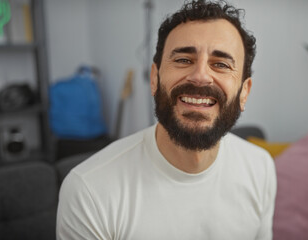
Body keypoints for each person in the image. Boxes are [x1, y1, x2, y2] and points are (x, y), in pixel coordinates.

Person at [56, 0, 276, 239]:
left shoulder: (261, 168)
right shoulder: (88, 191)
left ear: (244, 92)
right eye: (183, 60)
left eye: (221, 64)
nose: (201, 76)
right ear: (154, 78)